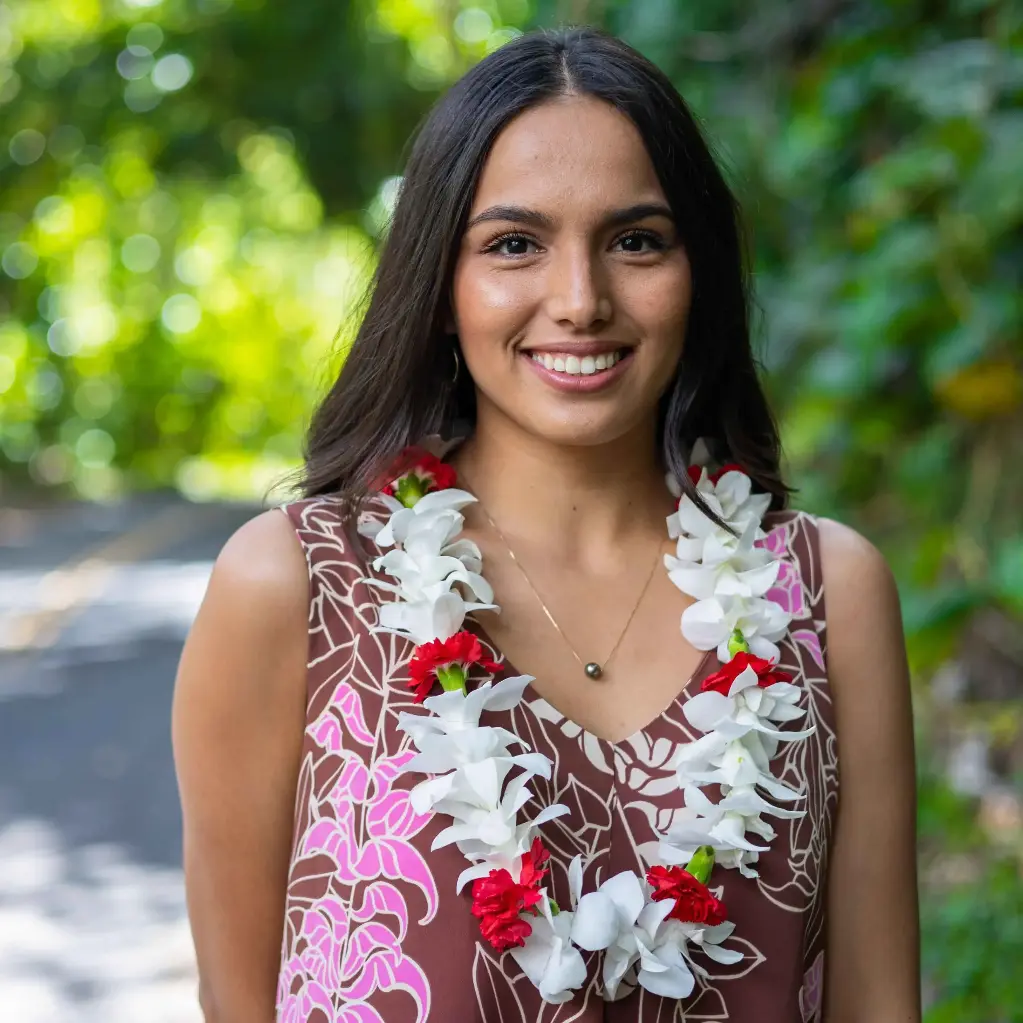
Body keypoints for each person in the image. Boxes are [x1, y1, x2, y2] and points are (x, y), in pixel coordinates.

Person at [172, 26, 921, 1023]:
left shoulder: (826, 594)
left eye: (636, 241)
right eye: (515, 244)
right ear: (441, 285)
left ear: (697, 277)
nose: (580, 300)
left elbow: (879, 1007)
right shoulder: (297, 589)